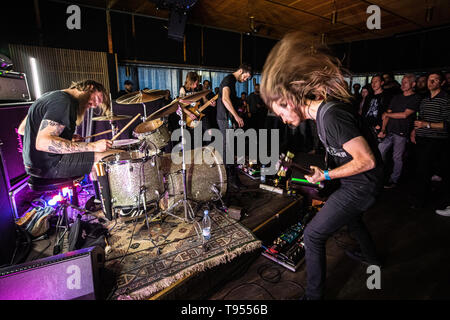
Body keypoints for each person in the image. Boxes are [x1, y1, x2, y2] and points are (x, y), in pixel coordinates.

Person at [260, 32, 383, 300]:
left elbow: (366, 160)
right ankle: (371, 256)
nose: (282, 119)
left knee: (313, 235)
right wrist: (324, 174)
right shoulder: (321, 115)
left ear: (289, 101)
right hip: (359, 183)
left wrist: (327, 174)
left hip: (363, 185)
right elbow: (344, 155)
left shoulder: (331, 116)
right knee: (353, 219)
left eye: (280, 112)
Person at [18, 80, 119, 179]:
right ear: (90, 87)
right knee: (117, 156)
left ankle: (100, 191)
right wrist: (93, 146)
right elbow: (43, 142)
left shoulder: (47, 96)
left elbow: (22, 129)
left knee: (103, 156)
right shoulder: (64, 102)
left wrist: (64, 137)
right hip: (50, 164)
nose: (94, 106)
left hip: (32, 165)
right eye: (96, 99)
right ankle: (106, 194)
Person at [410, 72, 450, 209]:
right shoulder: (425, 98)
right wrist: (414, 130)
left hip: (435, 140)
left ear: (442, 83)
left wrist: (426, 125)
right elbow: (419, 118)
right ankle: (420, 198)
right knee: (420, 170)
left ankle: (421, 201)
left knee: (425, 170)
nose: (430, 82)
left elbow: (447, 124)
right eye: (429, 80)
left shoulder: (446, 99)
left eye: (435, 80)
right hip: (421, 138)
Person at [377, 74, 421, 188]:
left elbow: (405, 115)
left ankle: (394, 180)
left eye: (406, 82)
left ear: (413, 84)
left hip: (401, 131)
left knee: (397, 157)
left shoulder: (415, 98)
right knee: (379, 151)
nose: (403, 84)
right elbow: (386, 115)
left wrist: (388, 114)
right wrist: (383, 129)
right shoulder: (396, 97)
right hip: (389, 130)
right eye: (402, 81)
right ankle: (378, 176)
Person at [216, 63, 252, 190]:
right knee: (228, 148)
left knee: (229, 147)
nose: (245, 80)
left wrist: (238, 101)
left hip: (227, 118)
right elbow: (225, 99)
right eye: (246, 77)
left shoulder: (231, 81)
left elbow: (228, 98)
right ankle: (229, 180)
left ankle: (230, 178)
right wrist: (236, 116)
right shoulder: (229, 79)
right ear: (241, 70)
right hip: (224, 118)